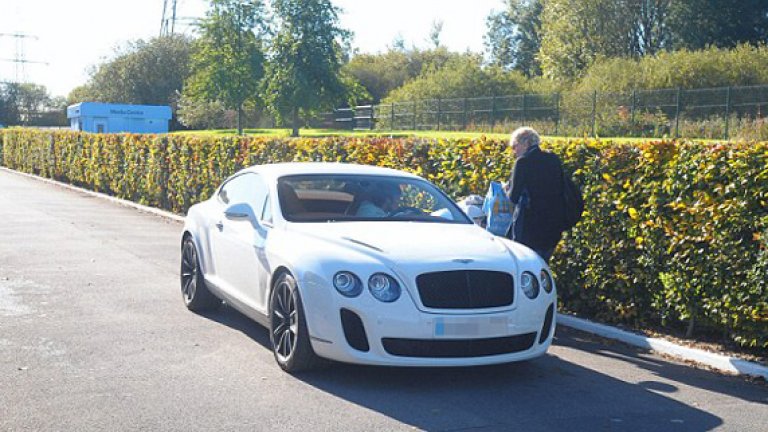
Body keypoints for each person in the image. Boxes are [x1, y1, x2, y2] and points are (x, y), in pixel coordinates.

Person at [506, 127, 566, 263]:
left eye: (514, 146)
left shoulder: (523, 163)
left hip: (529, 226)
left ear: (525, 143)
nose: (514, 152)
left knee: (525, 265)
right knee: (543, 265)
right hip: (553, 224)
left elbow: (513, 197)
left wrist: (507, 189)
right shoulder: (553, 159)